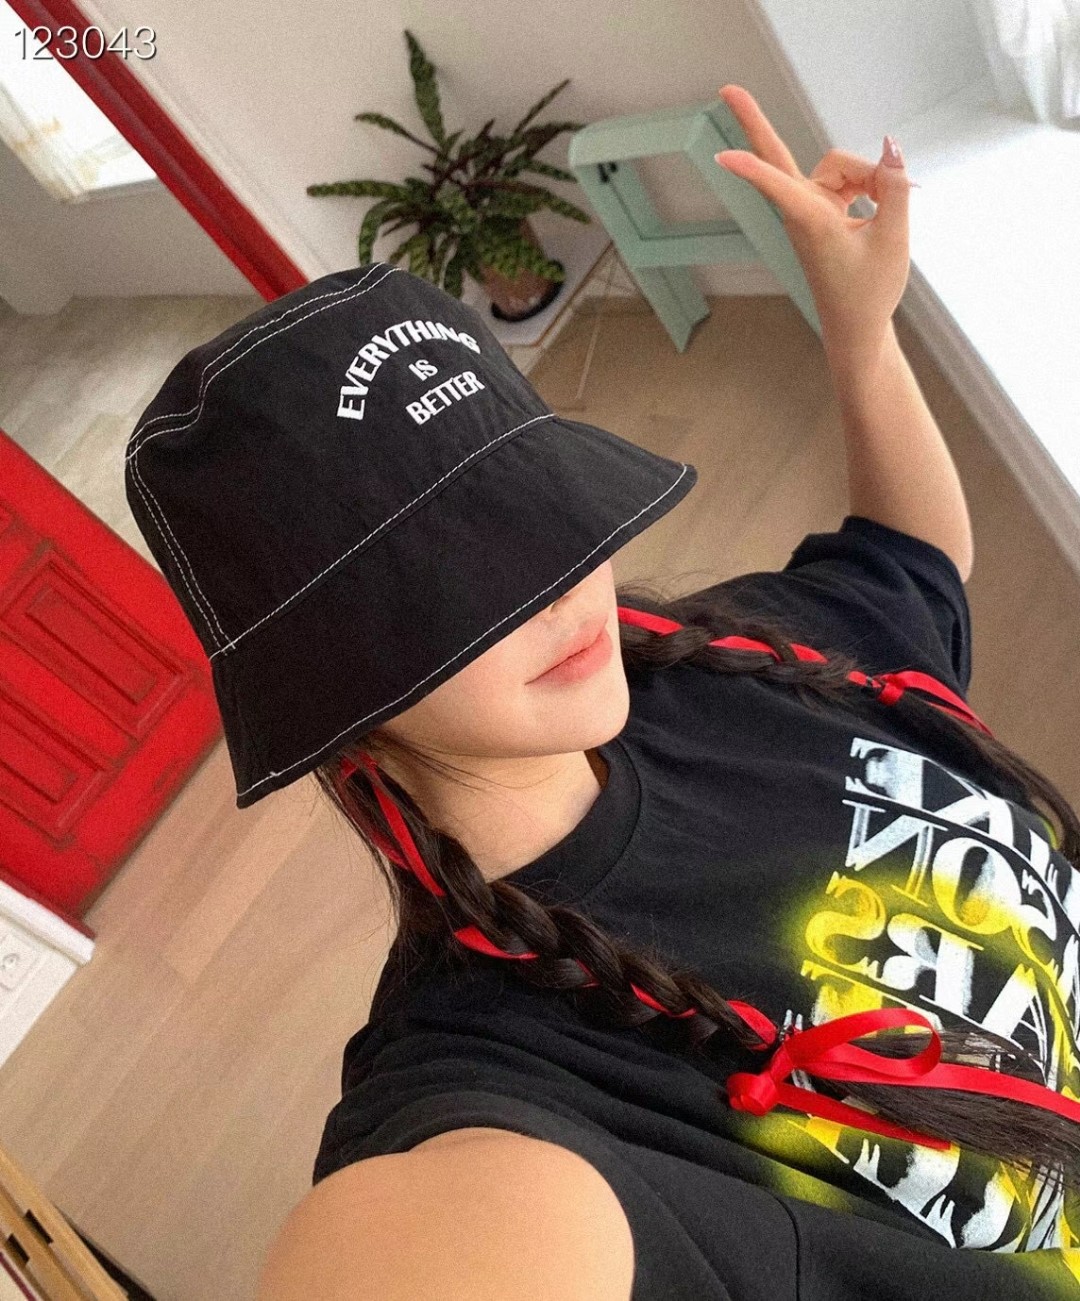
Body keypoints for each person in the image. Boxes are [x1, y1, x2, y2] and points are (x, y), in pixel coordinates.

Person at [125, 85, 1080, 1299]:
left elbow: (914, 559)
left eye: (544, 507)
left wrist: (860, 332)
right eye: (457, 572)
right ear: (328, 688)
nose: (557, 582)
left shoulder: (724, 658)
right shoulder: (492, 1092)